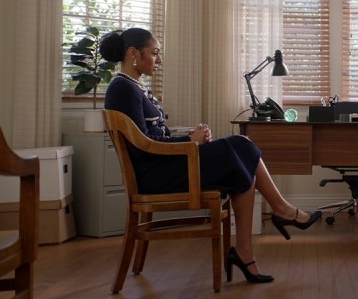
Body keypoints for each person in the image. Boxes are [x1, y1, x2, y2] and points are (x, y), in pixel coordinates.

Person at [99, 27, 322, 284]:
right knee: (241, 146)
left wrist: (191, 136)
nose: (159, 60)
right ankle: (281, 212)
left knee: (242, 167)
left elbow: (151, 136)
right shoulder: (122, 89)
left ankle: (246, 253)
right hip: (156, 175)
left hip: (166, 165)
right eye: (155, 53)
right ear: (133, 53)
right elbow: (143, 146)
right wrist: (188, 141)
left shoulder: (133, 86)